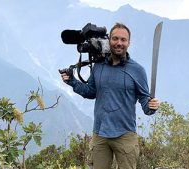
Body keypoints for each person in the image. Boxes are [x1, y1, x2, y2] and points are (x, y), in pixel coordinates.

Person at [61, 23, 160, 169]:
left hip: (125, 135)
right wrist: (72, 81)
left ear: (129, 43)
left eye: (123, 40)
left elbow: (145, 101)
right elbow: (91, 92)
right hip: (100, 134)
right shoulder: (99, 66)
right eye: (115, 39)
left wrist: (151, 106)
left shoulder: (137, 70)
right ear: (109, 40)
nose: (119, 43)